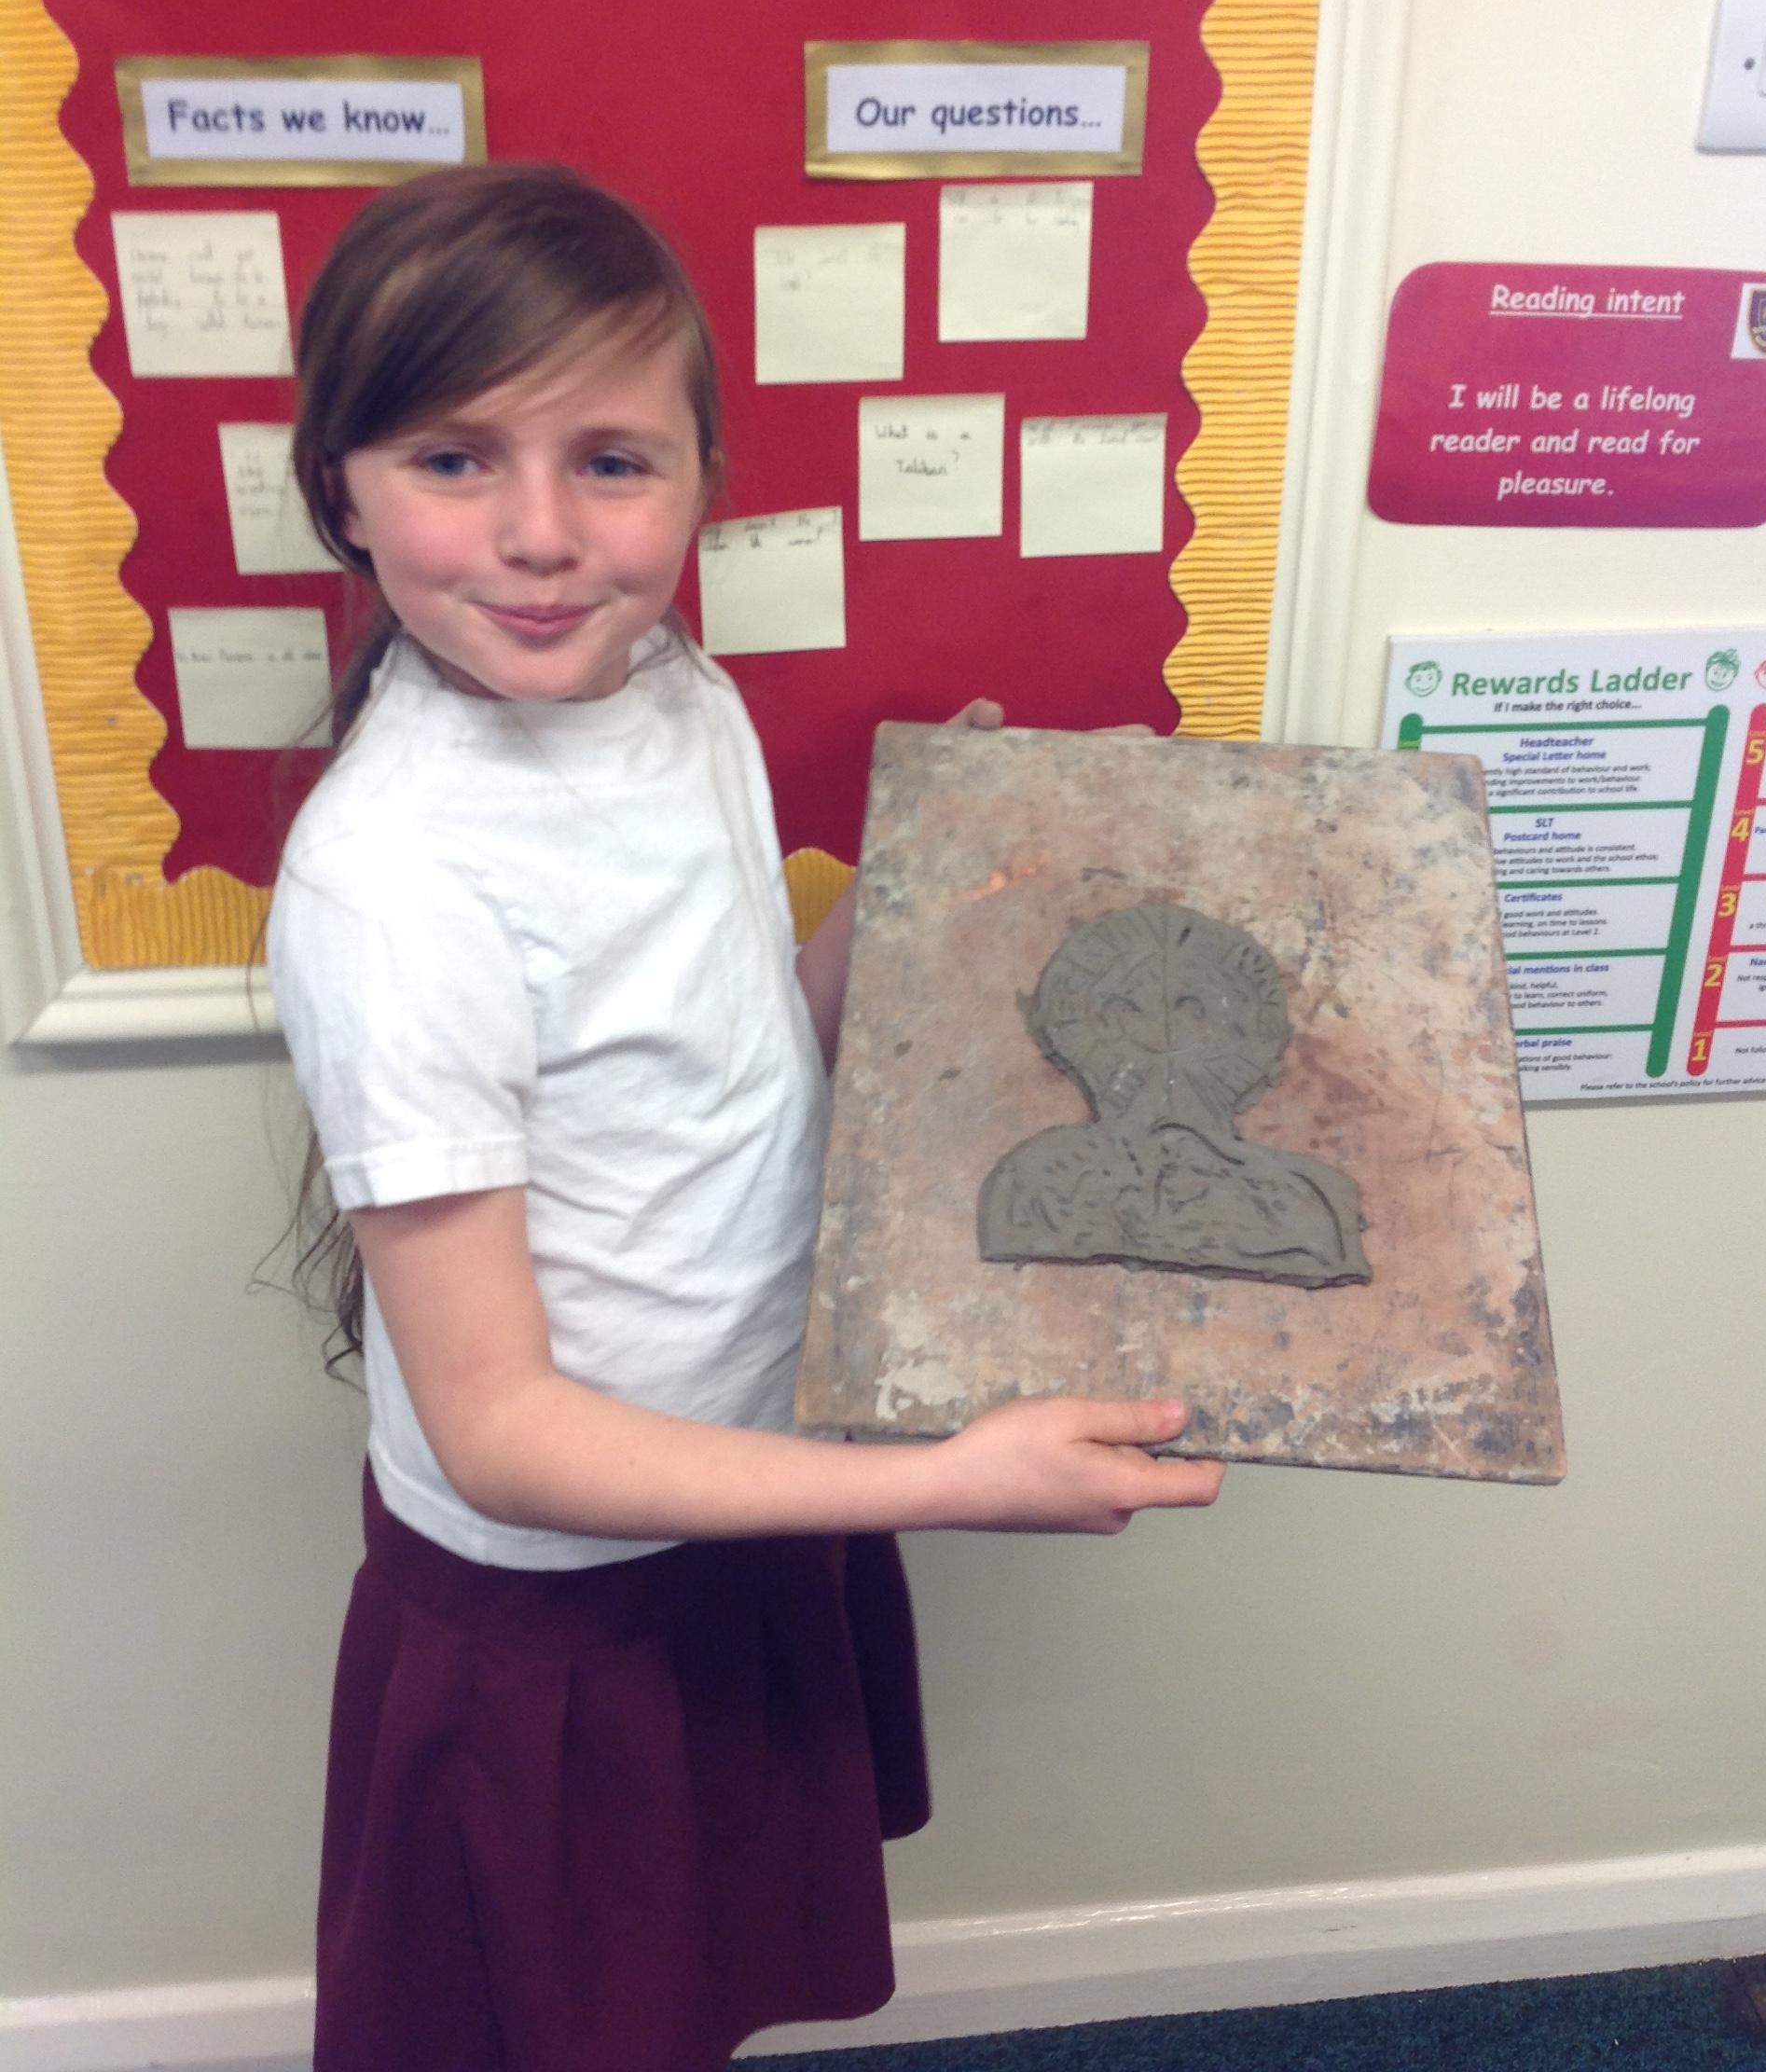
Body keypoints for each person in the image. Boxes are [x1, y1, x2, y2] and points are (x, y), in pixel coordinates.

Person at [265, 161, 1224, 2072]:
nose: (542, 536)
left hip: (745, 1482)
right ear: (341, 493)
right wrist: (953, 1479)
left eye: (613, 461)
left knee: (687, 1988)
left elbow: (741, 1054)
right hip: (572, 1595)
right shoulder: (394, 883)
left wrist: (930, 868)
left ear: (704, 478)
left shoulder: (674, 692)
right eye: (453, 459)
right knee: (569, 2019)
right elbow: (502, 1433)